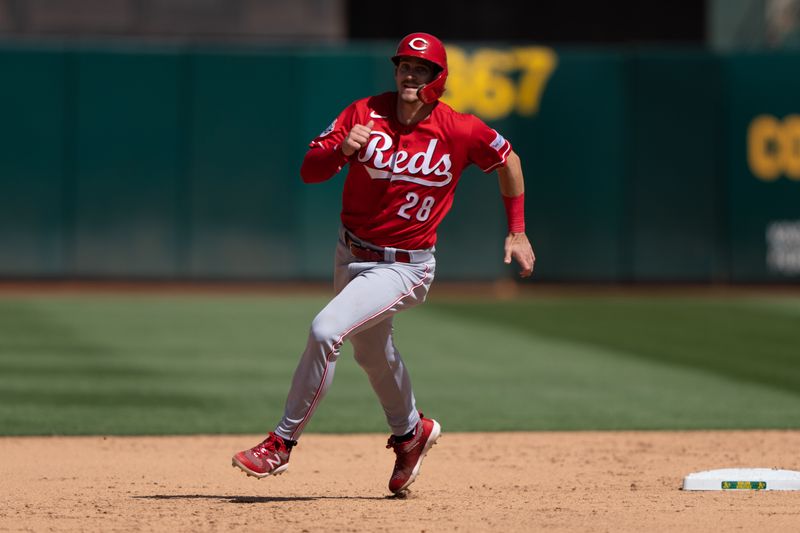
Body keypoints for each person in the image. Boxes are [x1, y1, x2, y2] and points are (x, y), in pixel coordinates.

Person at [232, 32, 535, 495]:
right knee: (372, 353)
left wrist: (516, 230)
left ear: (439, 77)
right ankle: (411, 432)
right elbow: (310, 170)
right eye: (404, 66)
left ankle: (281, 442)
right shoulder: (362, 113)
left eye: (421, 68)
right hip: (351, 252)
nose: (409, 75)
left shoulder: (460, 128)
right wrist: (342, 149)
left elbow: (508, 159)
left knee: (325, 330)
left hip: (406, 266)